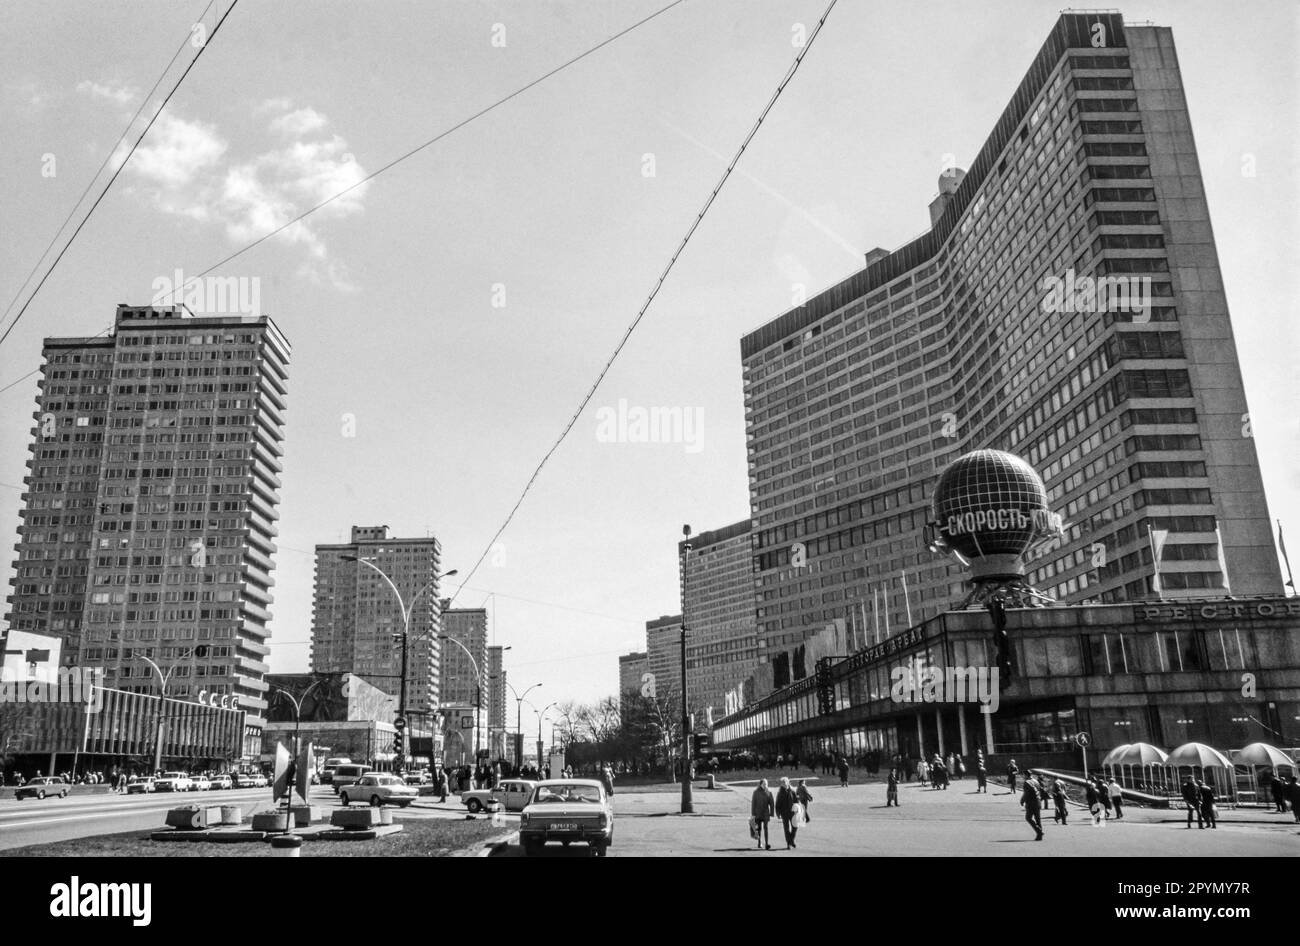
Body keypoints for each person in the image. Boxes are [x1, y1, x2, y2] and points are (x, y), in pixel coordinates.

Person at [775, 776, 799, 849]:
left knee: (795, 827)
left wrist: (797, 810)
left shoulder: (792, 791)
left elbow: (796, 802)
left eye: (785, 782)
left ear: (788, 783)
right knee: (786, 829)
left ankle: (791, 840)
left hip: (792, 813)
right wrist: (778, 814)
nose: (784, 784)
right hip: (784, 813)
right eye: (782, 783)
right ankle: (788, 843)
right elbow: (777, 804)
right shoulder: (780, 793)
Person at [751, 778, 774, 850]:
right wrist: (753, 814)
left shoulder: (769, 792)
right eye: (764, 784)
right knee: (759, 829)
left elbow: (772, 803)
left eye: (766, 784)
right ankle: (759, 842)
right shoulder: (756, 792)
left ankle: (767, 843)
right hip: (758, 813)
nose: (765, 785)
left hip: (766, 813)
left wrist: (772, 813)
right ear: (760, 784)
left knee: (766, 828)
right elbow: (753, 804)